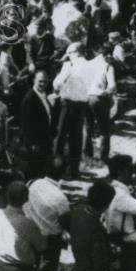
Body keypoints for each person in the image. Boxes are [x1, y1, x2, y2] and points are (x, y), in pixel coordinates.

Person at [25, 157, 70, 271]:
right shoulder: (60, 198)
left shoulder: (33, 183)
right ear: (63, 173)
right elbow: (65, 222)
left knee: (30, 268)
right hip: (50, 239)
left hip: (30, 231)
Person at [52, 42, 90, 178]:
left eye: (69, 52)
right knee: (76, 138)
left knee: (60, 136)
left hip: (68, 104)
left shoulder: (69, 65)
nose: (67, 55)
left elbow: (56, 84)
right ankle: (74, 170)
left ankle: (56, 169)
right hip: (82, 105)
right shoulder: (90, 65)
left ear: (76, 52)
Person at [20, 70, 54, 179]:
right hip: (35, 143)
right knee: (33, 170)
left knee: (41, 169)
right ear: (34, 80)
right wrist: (32, 143)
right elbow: (26, 123)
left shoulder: (42, 95)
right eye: (40, 81)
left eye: (45, 82)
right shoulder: (30, 98)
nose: (43, 84)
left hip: (44, 140)